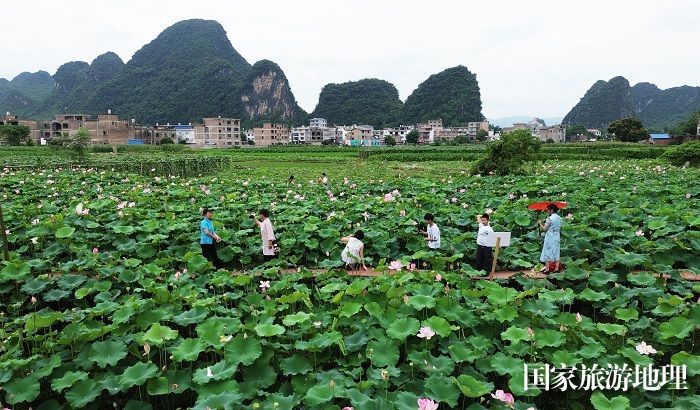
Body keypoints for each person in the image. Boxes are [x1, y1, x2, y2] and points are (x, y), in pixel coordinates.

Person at [539, 203, 563, 273]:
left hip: (550, 236)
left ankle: (547, 269)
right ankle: (556, 268)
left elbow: (544, 229)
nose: (547, 211)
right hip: (557, 235)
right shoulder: (560, 218)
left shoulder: (549, 219)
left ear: (552, 210)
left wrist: (540, 223)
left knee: (547, 251)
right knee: (556, 250)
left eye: (548, 210)